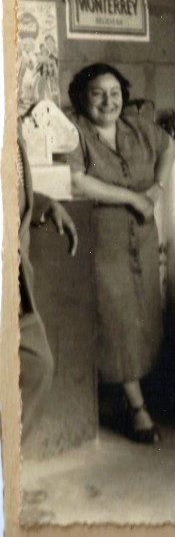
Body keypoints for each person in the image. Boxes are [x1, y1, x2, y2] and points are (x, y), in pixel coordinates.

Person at [67, 63, 174, 444]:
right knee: (116, 317)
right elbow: (77, 184)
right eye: (98, 93)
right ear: (82, 97)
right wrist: (133, 196)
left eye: (115, 93)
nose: (108, 101)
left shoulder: (136, 128)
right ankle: (137, 408)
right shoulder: (74, 132)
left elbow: (168, 146)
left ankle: (133, 393)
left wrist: (157, 190)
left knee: (144, 312)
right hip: (103, 238)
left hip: (142, 236)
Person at [18, 131, 79, 440]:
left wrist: (46, 205)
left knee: (37, 364)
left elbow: (13, 191)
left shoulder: (9, 126)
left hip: (15, 282)